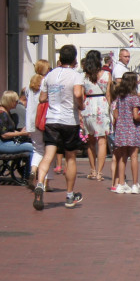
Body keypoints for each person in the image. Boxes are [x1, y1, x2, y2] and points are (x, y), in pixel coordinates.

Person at [33, 44, 85, 211]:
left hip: (52, 120)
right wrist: (81, 104)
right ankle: (69, 196)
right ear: (75, 59)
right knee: (70, 157)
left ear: (60, 58)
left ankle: (40, 183)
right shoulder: (76, 76)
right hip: (69, 120)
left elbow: (42, 98)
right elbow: (77, 93)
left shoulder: (50, 75)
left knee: (48, 155)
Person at [110, 72, 140, 194]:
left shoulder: (120, 97)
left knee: (122, 156)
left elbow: (117, 113)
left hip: (121, 128)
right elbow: (136, 116)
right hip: (132, 129)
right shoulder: (134, 98)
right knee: (134, 156)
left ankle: (121, 184)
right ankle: (135, 184)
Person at [81, 49, 111, 181]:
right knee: (102, 141)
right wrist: (110, 110)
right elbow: (109, 95)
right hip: (102, 106)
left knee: (90, 142)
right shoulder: (106, 75)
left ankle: (92, 170)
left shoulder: (83, 77)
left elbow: (81, 95)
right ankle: (99, 172)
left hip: (88, 106)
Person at [0, 90, 34, 176]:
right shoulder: (1, 114)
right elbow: (4, 134)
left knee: (32, 147)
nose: (17, 103)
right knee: (32, 148)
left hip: (6, 142)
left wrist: (21, 132)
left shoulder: (6, 112)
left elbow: (9, 130)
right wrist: (21, 134)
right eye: (15, 101)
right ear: (10, 101)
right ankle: (29, 175)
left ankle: (27, 172)